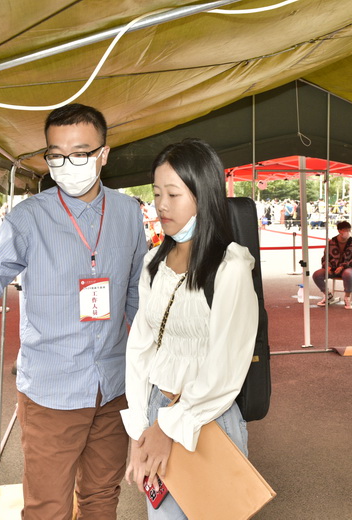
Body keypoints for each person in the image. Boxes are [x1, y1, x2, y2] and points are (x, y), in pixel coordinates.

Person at [0, 103, 147, 519]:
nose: (68, 164)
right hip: (52, 390)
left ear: (104, 154)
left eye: (80, 153)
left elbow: (136, 291)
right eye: (56, 155)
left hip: (113, 385)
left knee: (101, 497)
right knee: (47, 508)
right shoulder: (29, 217)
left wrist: (152, 356)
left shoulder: (128, 212)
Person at [121, 138, 258, 519]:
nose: (161, 205)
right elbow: (141, 348)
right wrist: (140, 426)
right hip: (157, 409)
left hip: (207, 417)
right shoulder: (153, 263)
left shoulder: (229, 268)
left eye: (173, 194)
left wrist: (169, 427)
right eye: (156, 193)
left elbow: (226, 365)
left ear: (203, 196)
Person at [312, 220, 352, 310]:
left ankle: (347, 297)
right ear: (339, 231)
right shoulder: (331, 242)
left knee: (347, 274)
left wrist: (343, 266)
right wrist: (327, 266)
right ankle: (327, 295)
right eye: (345, 230)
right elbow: (325, 257)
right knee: (316, 275)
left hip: (348, 268)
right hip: (332, 268)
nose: (348, 232)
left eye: (349, 230)